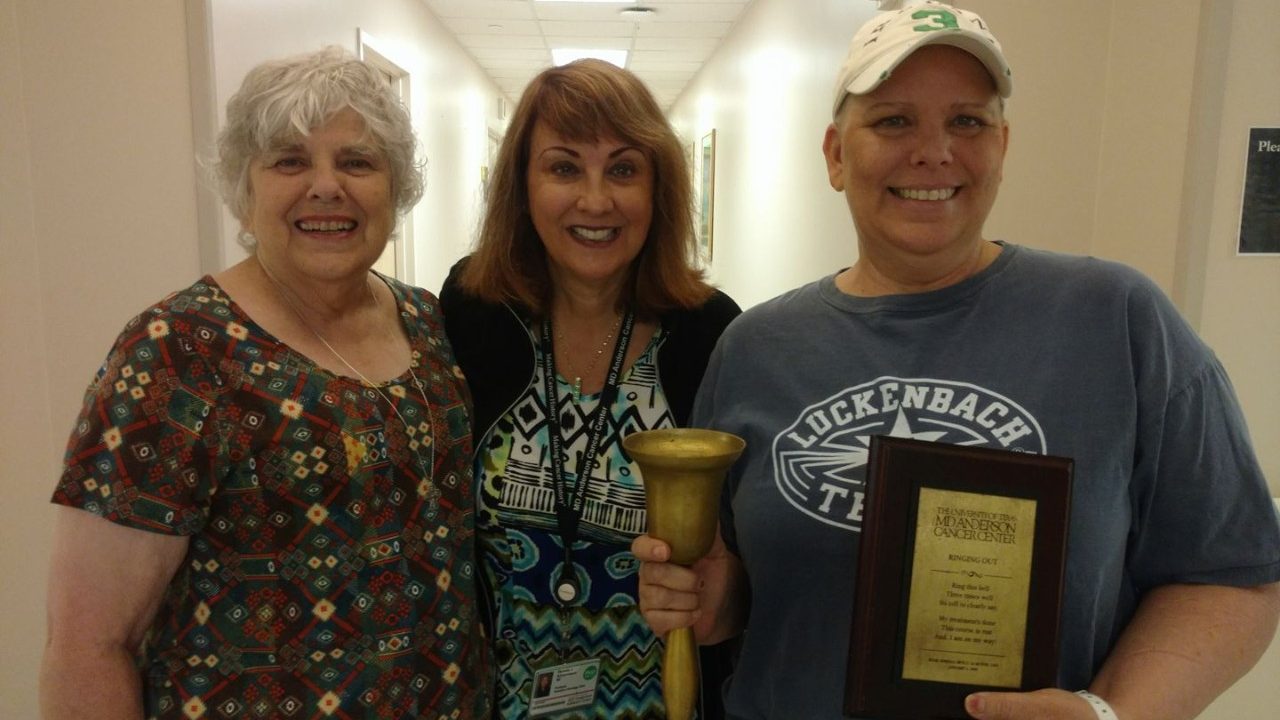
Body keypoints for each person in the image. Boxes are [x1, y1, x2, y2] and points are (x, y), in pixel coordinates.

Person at [632, 3, 1280, 720]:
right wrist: (712, 600)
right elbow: (751, 593)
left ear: (1002, 145)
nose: (934, 151)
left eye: (967, 121)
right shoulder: (756, 348)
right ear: (836, 155)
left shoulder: (1117, 321)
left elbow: (1233, 573)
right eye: (893, 121)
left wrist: (1113, 712)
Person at [40, 47, 491, 718]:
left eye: (358, 162)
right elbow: (90, 644)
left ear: (395, 188)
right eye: (289, 161)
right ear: (243, 191)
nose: (326, 186)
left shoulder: (427, 321)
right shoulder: (178, 351)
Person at [440, 59, 741, 719]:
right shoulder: (473, 313)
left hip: (664, 700)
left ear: (659, 188)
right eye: (564, 168)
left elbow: (745, 552)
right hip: (498, 700)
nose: (596, 201)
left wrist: (728, 600)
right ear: (521, 185)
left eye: (624, 169)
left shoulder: (711, 333)